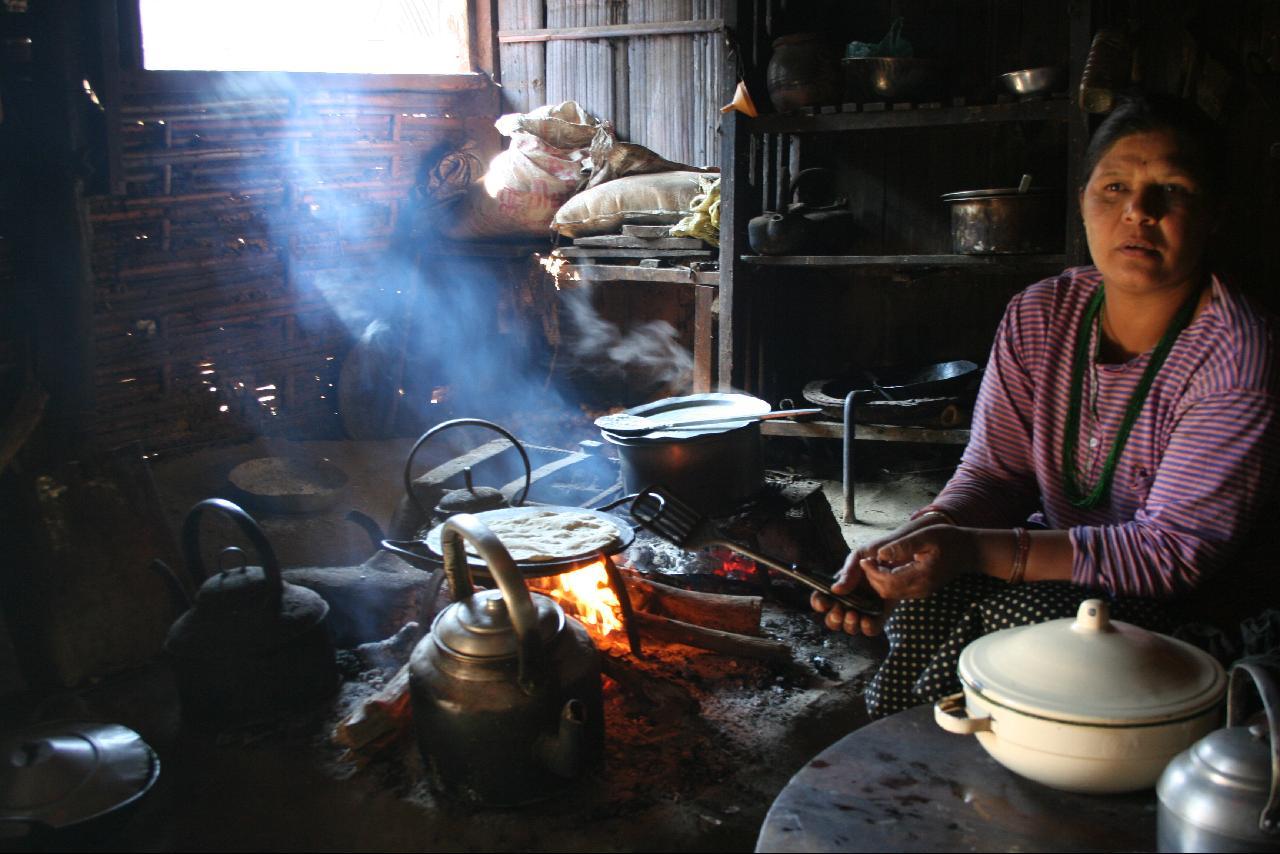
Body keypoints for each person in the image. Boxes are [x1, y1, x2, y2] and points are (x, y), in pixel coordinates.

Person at [812, 91, 1280, 719]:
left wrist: (972, 549)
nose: (1138, 212)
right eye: (1114, 188)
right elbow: (995, 474)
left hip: (1195, 615)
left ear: (1214, 215)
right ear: (1084, 200)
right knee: (928, 604)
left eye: (1172, 191)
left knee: (1011, 624)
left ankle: (956, 772)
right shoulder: (1043, 315)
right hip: (1067, 568)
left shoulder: (1236, 353)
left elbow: (1170, 555)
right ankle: (921, 755)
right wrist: (915, 540)